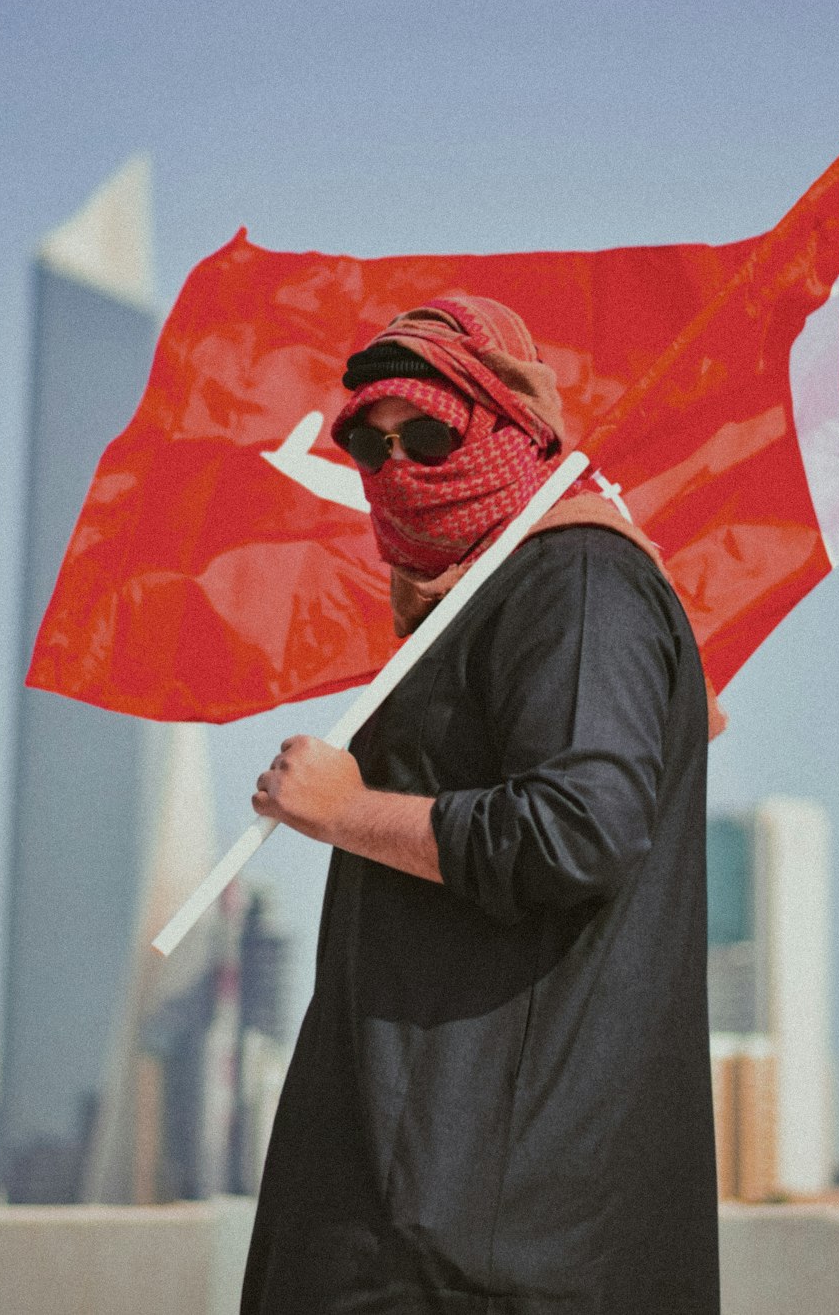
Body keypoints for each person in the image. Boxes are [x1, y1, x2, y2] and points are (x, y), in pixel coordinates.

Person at [241, 295, 720, 1314]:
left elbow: (577, 831)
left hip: (486, 1247)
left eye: (430, 432)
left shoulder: (575, 575)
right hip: (417, 1224)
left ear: (513, 427)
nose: (401, 467)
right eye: (370, 449)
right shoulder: (476, 601)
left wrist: (345, 812)